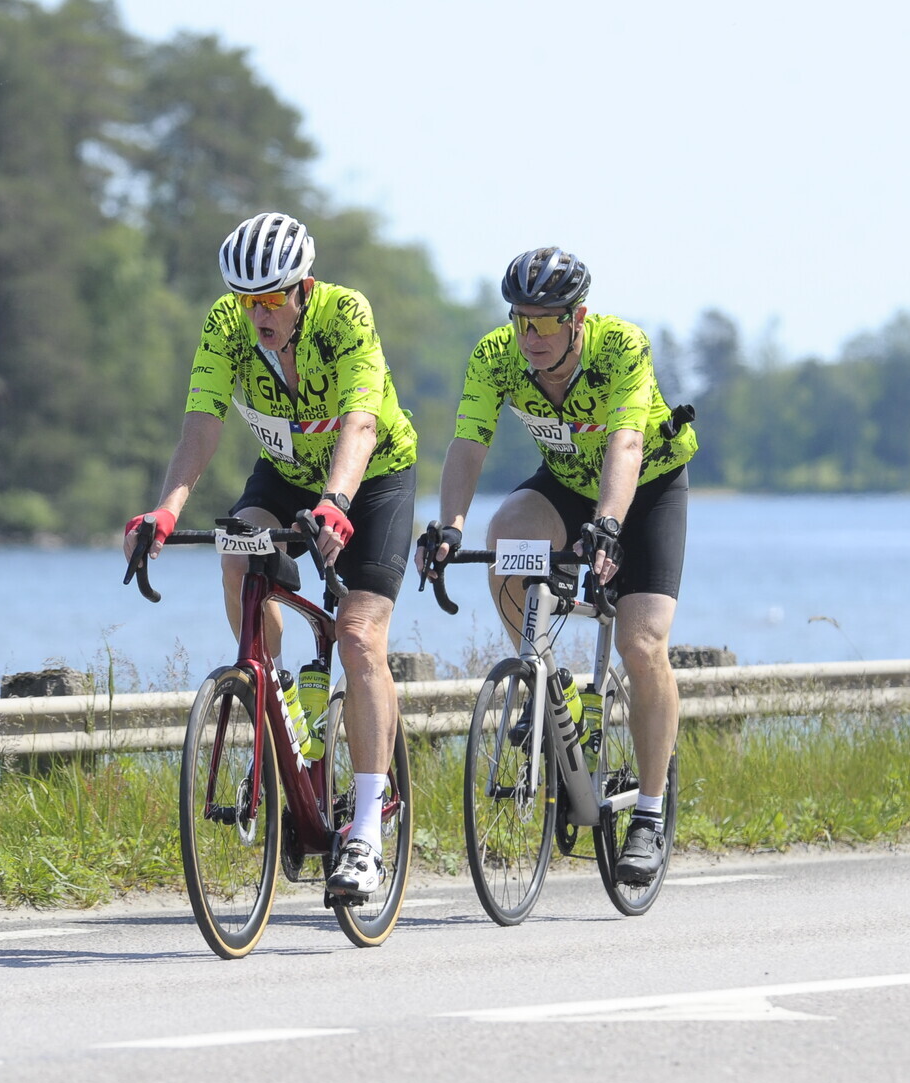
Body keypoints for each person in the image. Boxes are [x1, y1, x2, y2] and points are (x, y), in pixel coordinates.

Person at [125, 212, 417, 899]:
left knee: (357, 634)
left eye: (271, 299)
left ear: (302, 289)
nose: (256, 313)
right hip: (285, 475)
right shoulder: (226, 324)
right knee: (237, 551)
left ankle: (366, 831)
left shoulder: (345, 314)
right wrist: (166, 510)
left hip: (370, 476)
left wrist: (337, 501)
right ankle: (275, 694)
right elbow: (202, 423)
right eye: (245, 299)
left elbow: (361, 420)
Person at [419, 246, 697, 884]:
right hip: (567, 484)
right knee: (505, 536)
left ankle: (649, 816)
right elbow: (469, 442)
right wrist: (449, 526)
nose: (532, 335)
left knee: (641, 643)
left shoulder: (621, 347)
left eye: (546, 321)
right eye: (521, 319)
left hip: (646, 487)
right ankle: (550, 683)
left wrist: (610, 525)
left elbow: (626, 442)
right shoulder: (495, 356)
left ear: (578, 319)